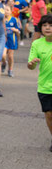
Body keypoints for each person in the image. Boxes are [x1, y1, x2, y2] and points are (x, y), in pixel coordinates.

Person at [28, 14, 52, 152]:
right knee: (49, 114)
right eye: (45, 25)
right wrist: (31, 64)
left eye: (50, 25)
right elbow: (30, 65)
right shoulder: (37, 44)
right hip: (45, 86)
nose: (47, 28)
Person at [2, 0, 20, 77]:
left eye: (7, 10)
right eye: (4, 10)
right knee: (3, 55)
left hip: (11, 40)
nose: (6, 11)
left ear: (11, 11)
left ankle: (10, 70)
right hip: (3, 40)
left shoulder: (14, 20)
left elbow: (18, 30)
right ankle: (4, 63)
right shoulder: (0, 20)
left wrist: (15, 29)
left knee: (10, 56)